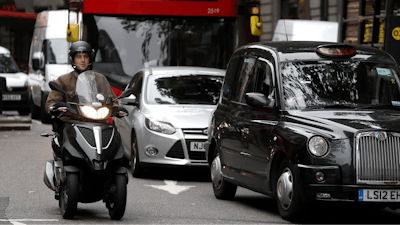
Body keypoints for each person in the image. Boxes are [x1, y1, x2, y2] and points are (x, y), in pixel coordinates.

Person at [45, 41, 118, 123]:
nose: (83, 60)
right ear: (72, 59)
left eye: (86, 56)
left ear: (90, 58)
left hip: (96, 120)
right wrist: (55, 107)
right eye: (79, 57)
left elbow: (113, 100)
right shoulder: (63, 80)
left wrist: (117, 108)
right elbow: (50, 103)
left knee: (113, 132)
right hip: (70, 122)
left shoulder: (100, 79)